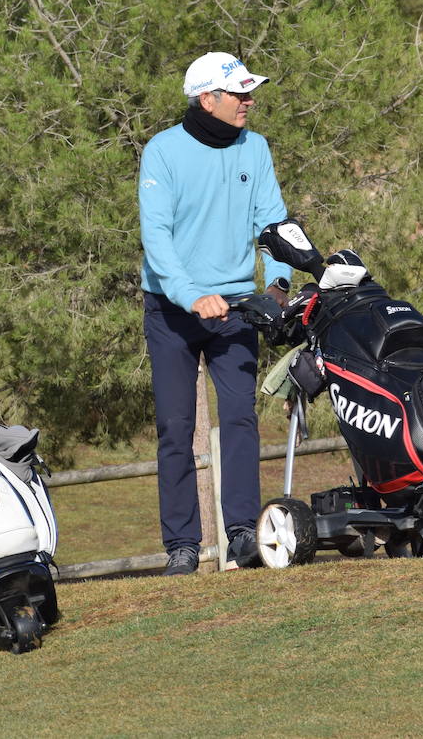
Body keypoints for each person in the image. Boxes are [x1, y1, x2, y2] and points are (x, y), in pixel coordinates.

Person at [138, 52, 291, 575]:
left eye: (250, 92)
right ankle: (182, 545)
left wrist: (278, 284)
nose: (249, 101)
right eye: (239, 93)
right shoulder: (162, 152)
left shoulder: (257, 148)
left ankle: (243, 535)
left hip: (236, 308)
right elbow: (156, 236)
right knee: (176, 427)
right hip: (171, 308)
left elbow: (272, 223)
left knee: (240, 418)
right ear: (208, 99)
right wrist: (189, 294)